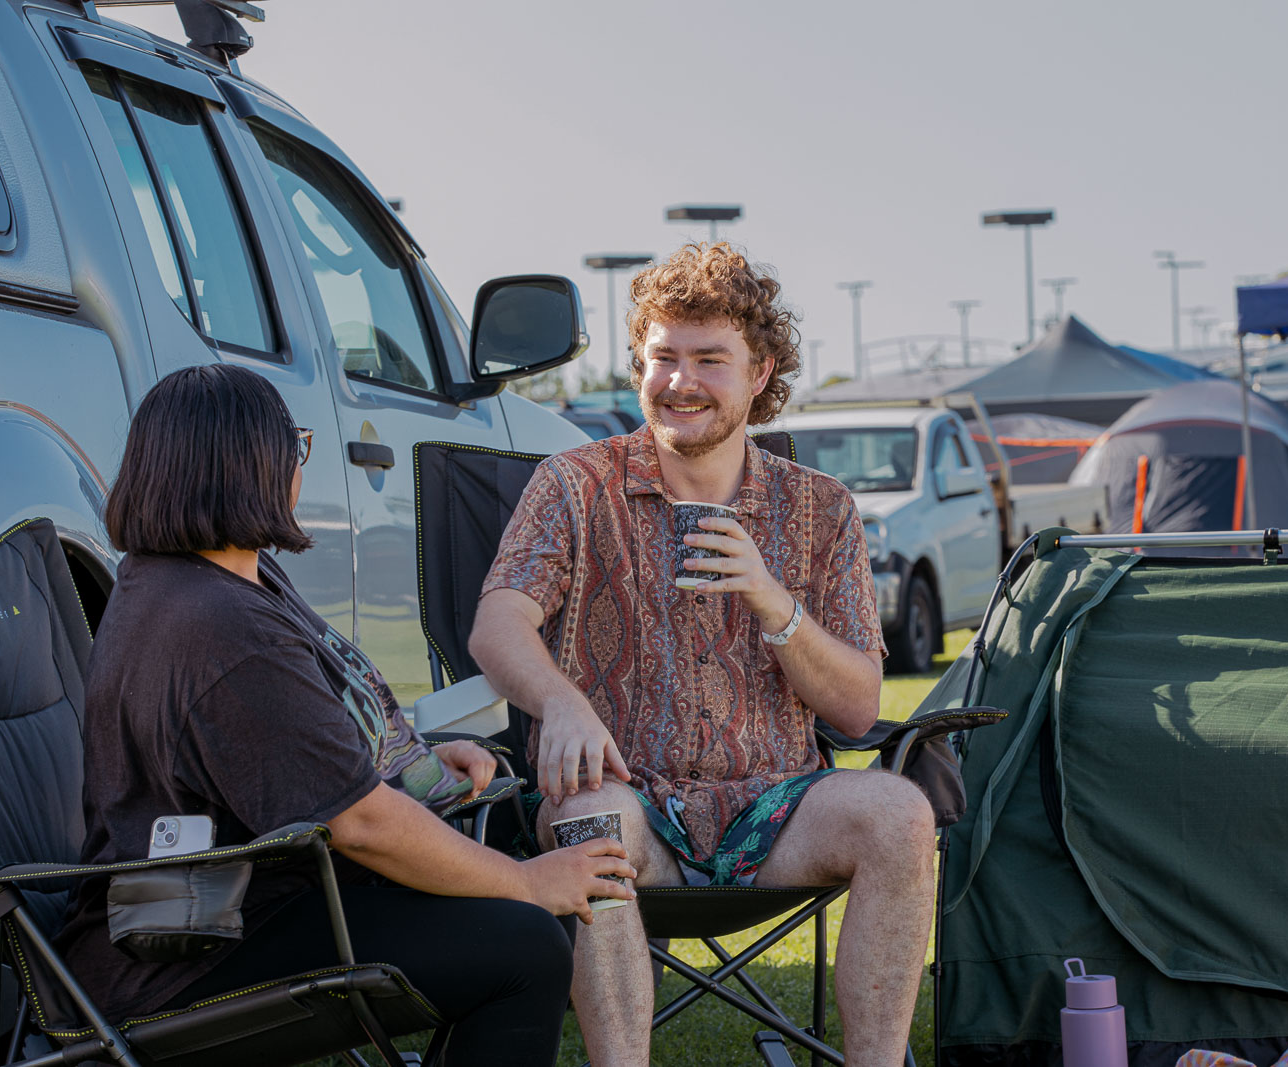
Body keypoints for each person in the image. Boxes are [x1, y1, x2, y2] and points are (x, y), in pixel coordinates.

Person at [55, 364, 634, 1065]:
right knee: (525, 941)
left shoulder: (209, 577)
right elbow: (359, 821)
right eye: (295, 446)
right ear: (252, 467)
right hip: (196, 945)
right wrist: (527, 884)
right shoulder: (221, 628)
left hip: (249, 892)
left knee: (506, 854)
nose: (301, 465)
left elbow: (297, 735)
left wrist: (411, 760)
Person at [469, 243, 937, 1066]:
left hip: (775, 805)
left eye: (709, 359)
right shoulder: (574, 484)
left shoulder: (819, 509)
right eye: (663, 357)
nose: (681, 381)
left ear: (759, 375)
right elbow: (497, 624)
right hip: (628, 801)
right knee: (593, 818)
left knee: (900, 813)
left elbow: (859, 707)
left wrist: (770, 599)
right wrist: (563, 702)